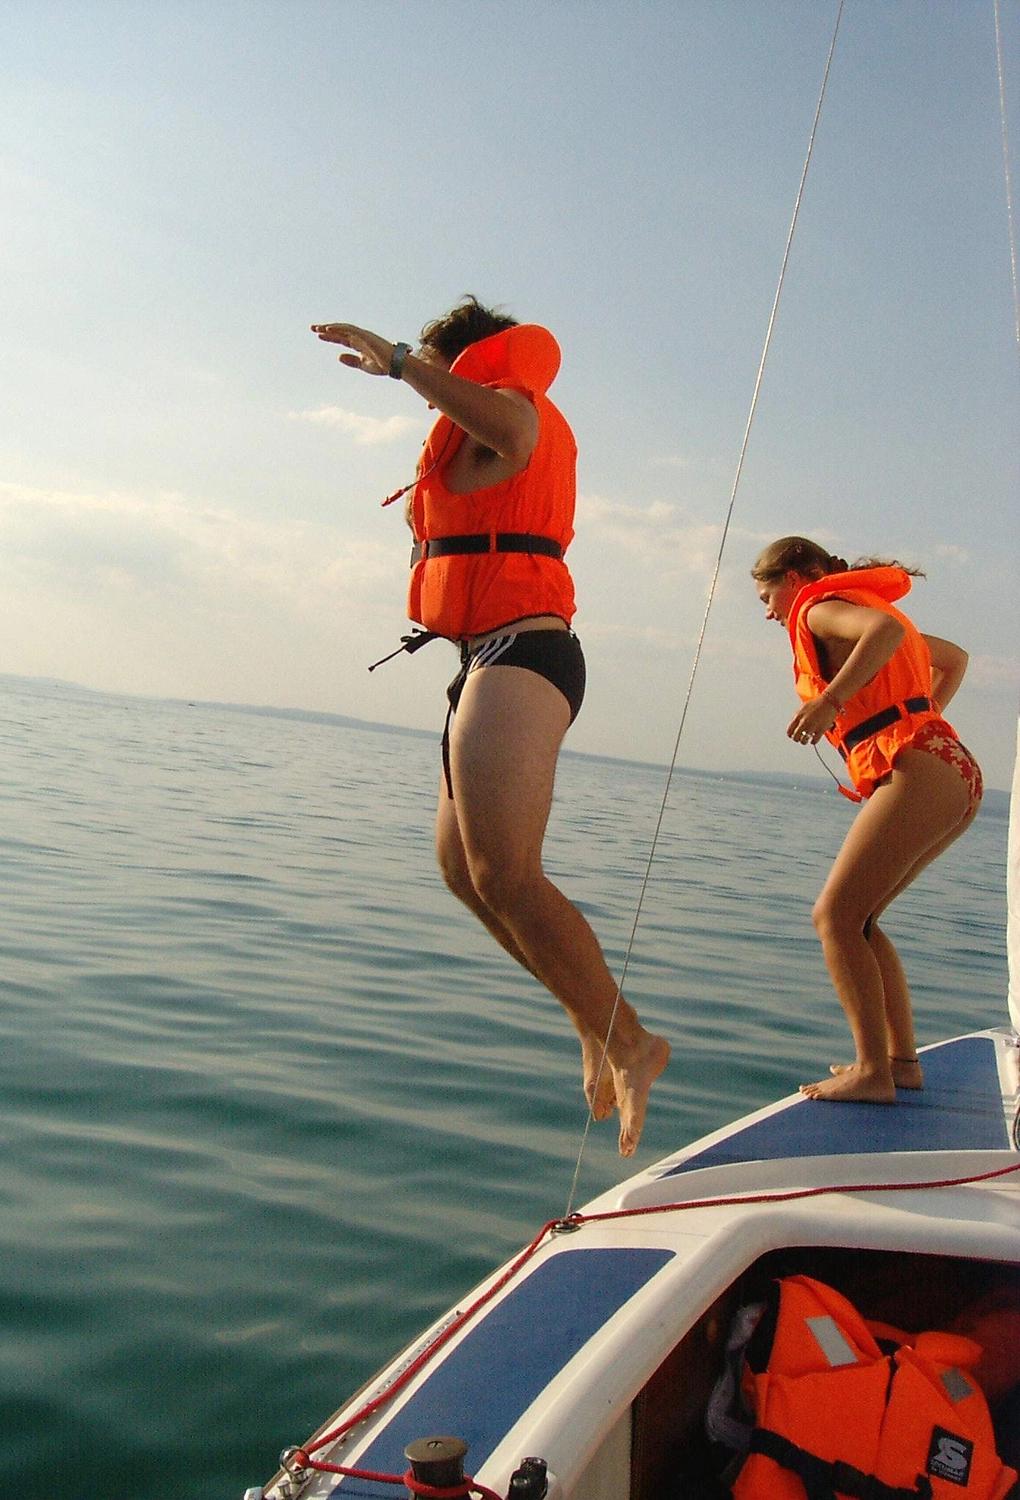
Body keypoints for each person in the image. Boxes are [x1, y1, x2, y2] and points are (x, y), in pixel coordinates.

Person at [312, 298, 669, 1155]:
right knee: (461, 872)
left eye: (443, 368)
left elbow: (510, 431)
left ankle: (633, 1041)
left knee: (506, 873)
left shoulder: (516, 408)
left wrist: (400, 362)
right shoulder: (463, 430)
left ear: (465, 359)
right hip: (479, 657)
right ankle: (592, 1017)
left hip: (527, 652)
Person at [752, 536, 982, 1102]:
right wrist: (914, 719)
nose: (769, 610)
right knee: (861, 920)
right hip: (951, 770)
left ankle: (872, 1072)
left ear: (798, 577)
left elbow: (888, 635)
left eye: (768, 594)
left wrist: (832, 700)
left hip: (925, 769)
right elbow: (952, 659)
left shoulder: (820, 608)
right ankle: (901, 1063)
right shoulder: (856, 609)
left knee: (834, 916)